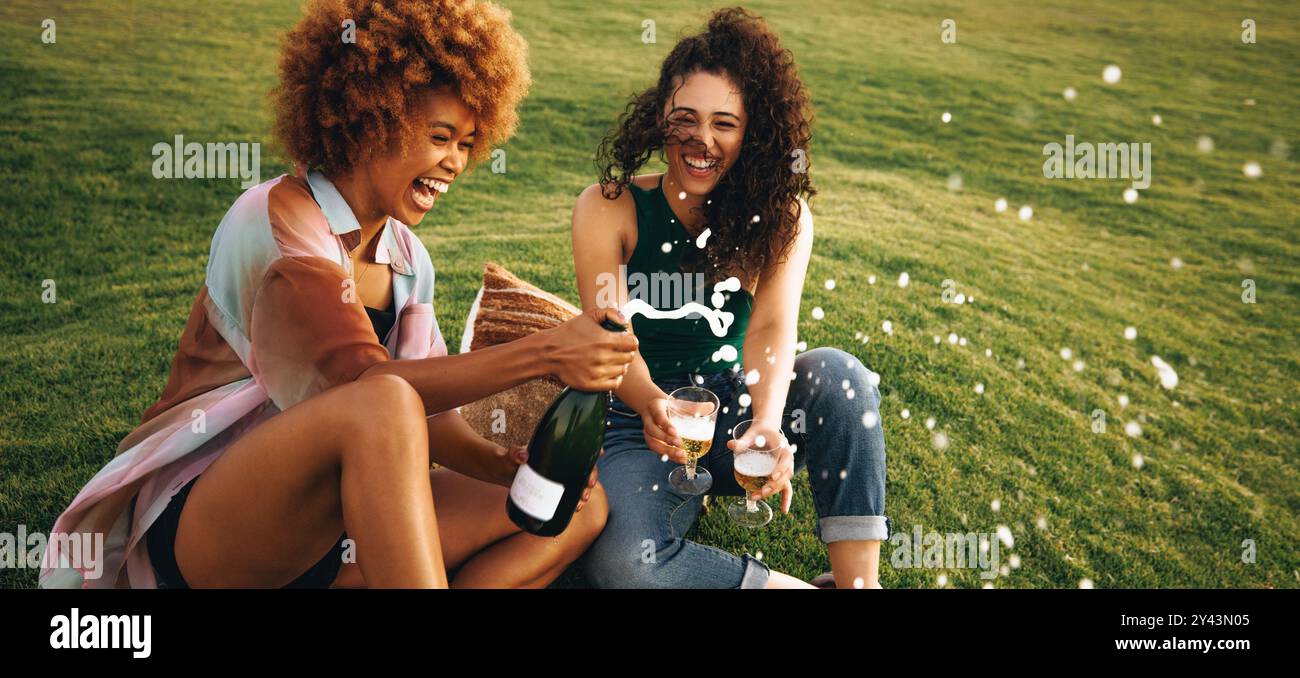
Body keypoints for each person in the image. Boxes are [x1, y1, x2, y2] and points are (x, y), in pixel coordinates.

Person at [42, 0, 636, 589]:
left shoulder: (406, 258)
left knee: (576, 509)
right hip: (214, 525)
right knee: (381, 402)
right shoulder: (278, 221)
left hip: (335, 538)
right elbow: (370, 390)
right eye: (440, 136)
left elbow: (429, 416)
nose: (454, 162)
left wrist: (505, 468)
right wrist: (547, 352)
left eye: (468, 143)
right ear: (372, 118)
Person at [571, 7, 889, 589]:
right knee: (621, 565)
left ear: (753, 132)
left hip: (731, 408)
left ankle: (858, 584)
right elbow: (610, 333)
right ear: (659, 115)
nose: (702, 139)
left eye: (725, 123)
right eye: (685, 118)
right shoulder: (608, 206)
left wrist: (767, 421)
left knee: (844, 376)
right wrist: (650, 404)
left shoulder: (782, 217)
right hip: (630, 420)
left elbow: (771, 330)